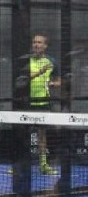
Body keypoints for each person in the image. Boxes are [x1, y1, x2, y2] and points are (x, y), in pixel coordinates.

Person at [27, 33, 61, 175]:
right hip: (27, 102)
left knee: (42, 135)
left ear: (45, 46)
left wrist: (52, 84)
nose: (36, 45)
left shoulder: (52, 61)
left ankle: (43, 164)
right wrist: (40, 72)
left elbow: (59, 81)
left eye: (39, 42)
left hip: (43, 102)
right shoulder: (26, 61)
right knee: (23, 134)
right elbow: (24, 77)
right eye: (34, 42)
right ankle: (22, 164)